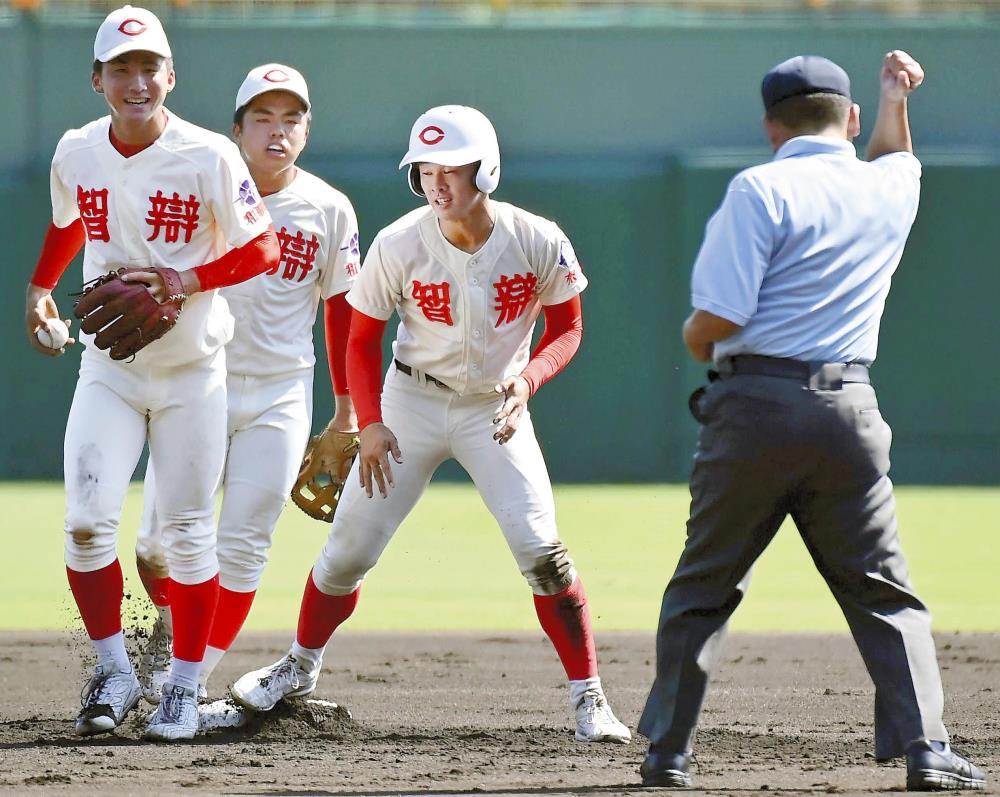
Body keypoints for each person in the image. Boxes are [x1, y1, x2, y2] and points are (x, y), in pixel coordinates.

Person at [637, 52, 987, 791]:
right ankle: (927, 748)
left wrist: (695, 337)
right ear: (850, 118)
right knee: (884, 590)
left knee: (704, 584)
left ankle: (668, 752)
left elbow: (720, 317)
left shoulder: (759, 188)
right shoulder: (887, 186)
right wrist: (895, 97)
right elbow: (896, 158)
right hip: (848, 410)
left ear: (771, 125)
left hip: (755, 409)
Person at [230, 104, 631, 745]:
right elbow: (362, 340)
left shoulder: (537, 238)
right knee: (346, 553)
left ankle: (590, 698)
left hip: (494, 410)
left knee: (542, 553)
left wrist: (529, 380)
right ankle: (299, 667)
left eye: (451, 169)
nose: (437, 184)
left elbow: (568, 328)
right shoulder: (399, 242)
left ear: (485, 169)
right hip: (410, 403)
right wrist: (369, 422)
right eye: (425, 170)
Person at [24, 5, 280, 741]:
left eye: (148, 68)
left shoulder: (208, 155)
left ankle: (184, 686)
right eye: (121, 69)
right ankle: (114, 670)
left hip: (193, 372)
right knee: (84, 524)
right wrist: (40, 288)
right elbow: (72, 219)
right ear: (96, 79)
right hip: (110, 367)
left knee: (189, 537)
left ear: (171, 76)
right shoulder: (76, 150)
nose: (136, 82)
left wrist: (182, 279)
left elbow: (262, 249)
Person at [131, 63, 359, 720]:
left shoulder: (329, 208)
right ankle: (172, 626)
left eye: (291, 119)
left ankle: (185, 681)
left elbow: (343, 311)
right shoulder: (202, 189)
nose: (277, 131)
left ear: (307, 132)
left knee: (244, 542)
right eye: (263, 118)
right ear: (237, 130)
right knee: (156, 546)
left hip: (280, 393)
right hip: (195, 382)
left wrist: (346, 409)